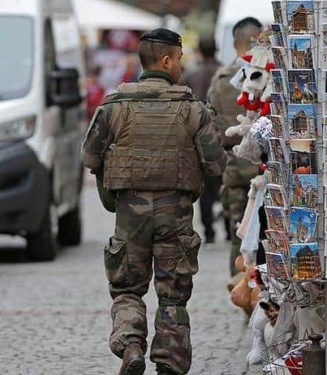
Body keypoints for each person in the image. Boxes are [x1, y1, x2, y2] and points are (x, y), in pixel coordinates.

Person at [82, 28, 225, 375]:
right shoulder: (192, 109)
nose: (181, 66)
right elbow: (216, 164)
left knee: (128, 287)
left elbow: (90, 156)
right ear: (166, 60)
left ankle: (131, 346)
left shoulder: (114, 105)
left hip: (129, 214)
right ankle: (170, 364)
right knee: (173, 293)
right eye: (178, 59)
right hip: (175, 215)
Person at [206, 17, 263, 278]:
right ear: (258, 40)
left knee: (238, 230)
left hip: (232, 164)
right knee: (265, 231)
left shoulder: (220, 79)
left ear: (234, 43)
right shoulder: (267, 76)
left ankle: (238, 285)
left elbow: (211, 124)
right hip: (262, 167)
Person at [184, 34, 222, 244]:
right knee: (223, 182)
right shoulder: (225, 72)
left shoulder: (191, 74)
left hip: (198, 136)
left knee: (205, 187)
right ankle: (228, 225)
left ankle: (208, 231)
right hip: (224, 137)